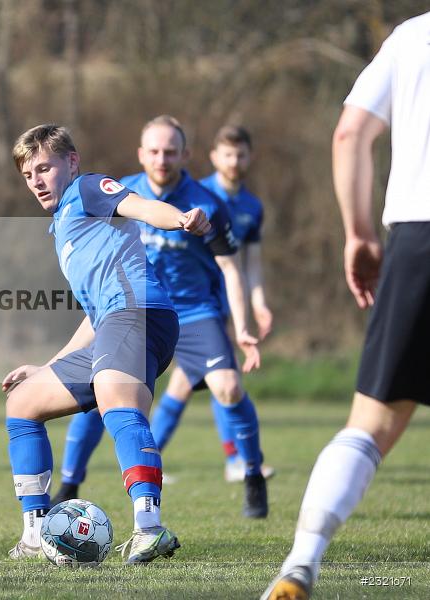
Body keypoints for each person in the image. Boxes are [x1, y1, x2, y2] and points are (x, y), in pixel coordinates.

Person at [263, 13, 430, 600]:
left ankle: (302, 561)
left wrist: (359, 234)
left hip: (418, 237)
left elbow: (350, 133)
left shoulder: (413, 36)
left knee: (373, 423)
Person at [2, 123, 211, 564]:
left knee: (116, 400)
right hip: (116, 320)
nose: (36, 181)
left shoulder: (88, 188)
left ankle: (149, 527)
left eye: (44, 169)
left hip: (141, 313)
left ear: (71, 162)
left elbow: (141, 206)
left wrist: (180, 220)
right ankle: (35, 534)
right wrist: (48, 365)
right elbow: (95, 317)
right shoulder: (62, 225)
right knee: (23, 403)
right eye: (28, 175)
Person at [50, 116, 269, 519]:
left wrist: (242, 327)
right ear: (141, 154)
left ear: (186, 155)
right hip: (133, 308)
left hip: (194, 312)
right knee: (101, 392)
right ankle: (68, 485)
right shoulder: (119, 191)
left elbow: (231, 268)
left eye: (170, 152)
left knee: (228, 388)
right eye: (154, 151)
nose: (161, 159)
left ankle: (252, 473)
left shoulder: (208, 203)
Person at [149, 125, 275, 484]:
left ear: (250, 158)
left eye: (241, 155)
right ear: (214, 157)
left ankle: (148, 461)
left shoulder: (252, 207)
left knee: (190, 382)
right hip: (196, 304)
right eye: (228, 155)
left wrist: (259, 303)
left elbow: (249, 263)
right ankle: (234, 459)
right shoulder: (198, 196)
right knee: (221, 379)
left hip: (222, 303)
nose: (234, 162)